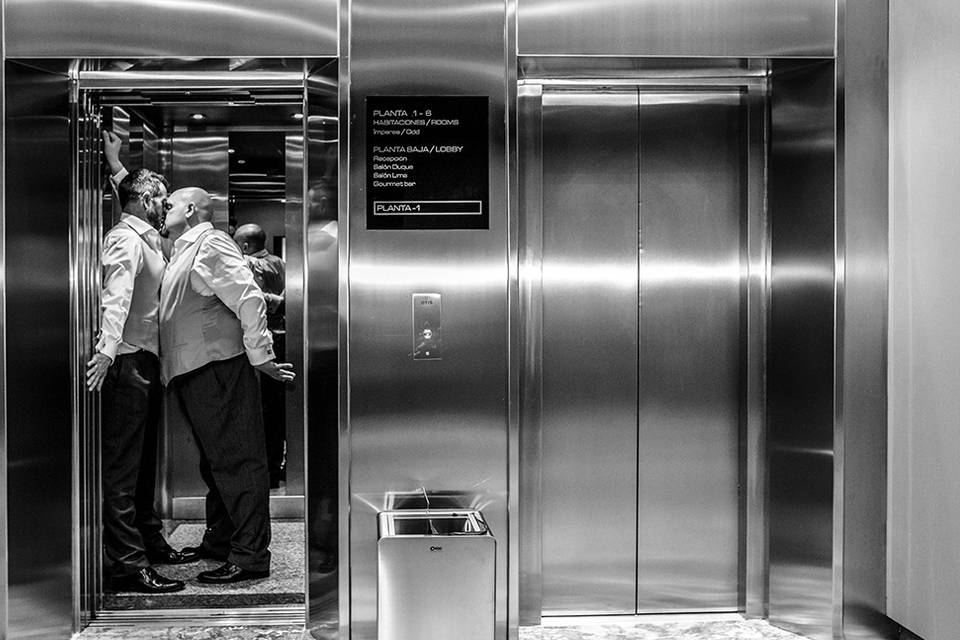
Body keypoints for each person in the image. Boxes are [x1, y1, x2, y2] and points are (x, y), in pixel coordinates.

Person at [158, 187, 296, 584]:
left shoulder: (211, 242)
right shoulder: (185, 248)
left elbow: (249, 298)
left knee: (238, 461)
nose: (163, 209)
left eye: (168, 205)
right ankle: (221, 540)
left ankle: (251, 556)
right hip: (198, 368)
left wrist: (261, 356)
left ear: (188, 209)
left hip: (218, 366)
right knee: (217, 461)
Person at [85, 152, 190, 594]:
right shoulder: (125, 240)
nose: (166, 208)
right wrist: (107, 351)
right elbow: (117, 296)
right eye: (162, 200)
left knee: (144, 461)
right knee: (124, 467)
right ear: (147, 201)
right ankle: (126, 563)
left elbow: (132, 192)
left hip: (143, 360)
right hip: (126, 361)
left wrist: (115, 166)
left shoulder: (143, 236)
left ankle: (148, 538)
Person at [233, 223, 287, 488]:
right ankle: (276, 467)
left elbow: (247, 299)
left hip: (260, 344)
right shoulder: (283, 264)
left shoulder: (249, 264)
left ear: (244, 246)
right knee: (276, 410)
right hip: (284, 341)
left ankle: (264, 471)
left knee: (261, 410)